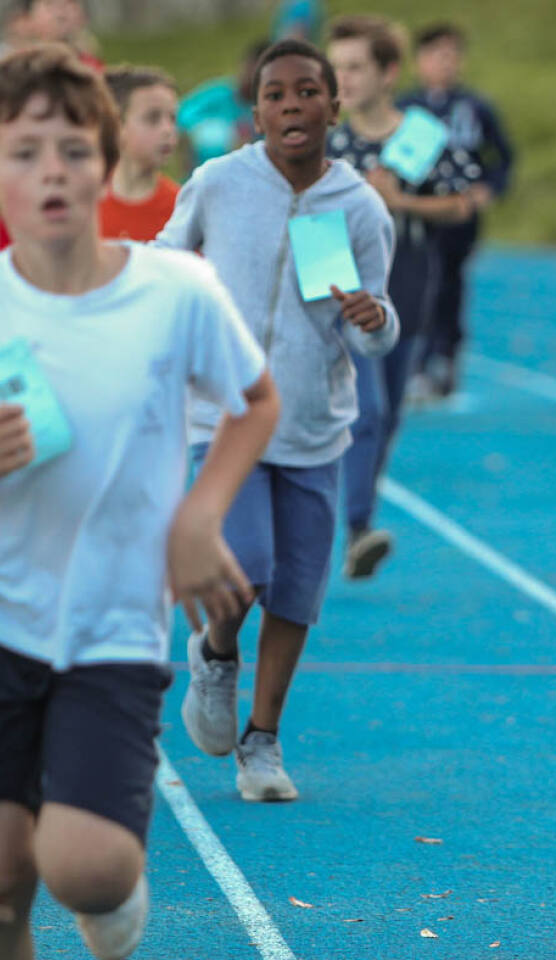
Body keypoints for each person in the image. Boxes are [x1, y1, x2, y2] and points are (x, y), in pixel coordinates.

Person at [0, 43, 279, 960]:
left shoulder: (172, 291)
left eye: (73, 150)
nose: (51, 172)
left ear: (106, 158)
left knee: (85, 870)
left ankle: (109, 905)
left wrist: (200, 515)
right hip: (4, 619)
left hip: (112, 626)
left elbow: (254, 400)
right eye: (24, 151)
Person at [156, 38, 400, 802]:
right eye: (274, 94)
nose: (291, 105)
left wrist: (373, 317)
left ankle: (261, 742)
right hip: (225, 414)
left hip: (313, 426)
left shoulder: (359, 207)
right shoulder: (219, 183)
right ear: (255, 112)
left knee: (295, 593)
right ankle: (215, 653)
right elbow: (166, 258)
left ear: (334, 106)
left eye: (306, 91)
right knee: (246, 569)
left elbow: (378, 325)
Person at [327, 14, 478, 578]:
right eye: (336, 68)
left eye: (355, 67)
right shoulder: (327, 139)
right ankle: (357, 527)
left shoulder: (419, 135)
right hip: (341, 291)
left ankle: (354, 517)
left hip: (407, 285)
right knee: (366, 410)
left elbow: (462, 201)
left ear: (388, 72)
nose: (343, 79)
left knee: (386, 414)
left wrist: (401, 202)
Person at [398, 22, 513, 400]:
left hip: (460, 219)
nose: (445, 63)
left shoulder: (475, 108)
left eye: (452, 55)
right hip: (416, 216)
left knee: (450, 286)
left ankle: (444, 357)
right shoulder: (406, 108)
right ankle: (416, 361)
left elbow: (503, 157)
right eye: (437, 55)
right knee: (415, 285)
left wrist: (488, 189)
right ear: (419, 60)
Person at [99, 65, 179, 241]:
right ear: (116, 126)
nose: (168, 130)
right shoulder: (85, 202)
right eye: (153, 118)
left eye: (172, 118)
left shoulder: (182, 209)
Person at [176, 37, 268, 174]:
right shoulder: (218, 95)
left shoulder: (266, 109)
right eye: (249, 69)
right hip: (200, 174)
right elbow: (179, 118)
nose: (250, 78)